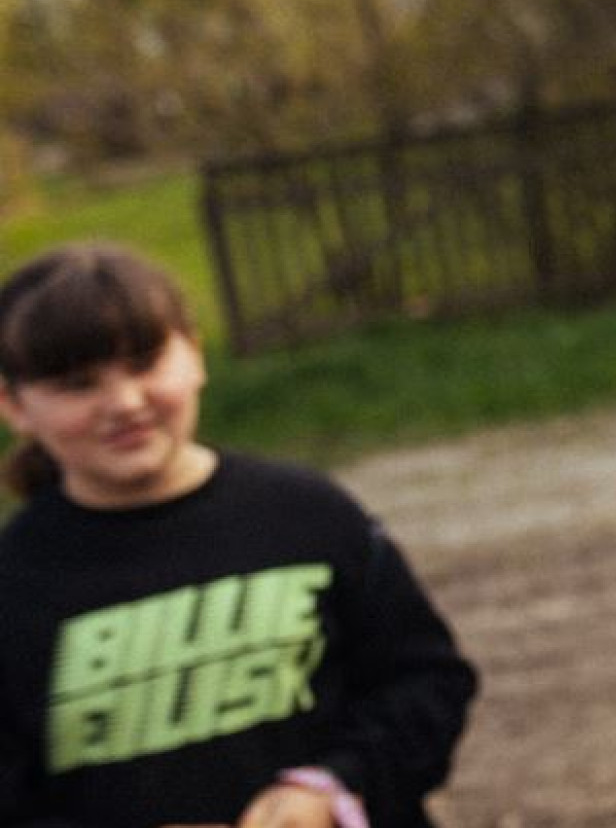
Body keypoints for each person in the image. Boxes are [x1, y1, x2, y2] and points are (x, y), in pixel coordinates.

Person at [0, 242, 479, 828]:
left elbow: (427, 683)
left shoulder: (307, 514)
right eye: (78, 384)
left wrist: (332, 788)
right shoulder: (15, 581)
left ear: (195, 354)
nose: (124, 402)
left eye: (146, 363)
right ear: (13, 405)